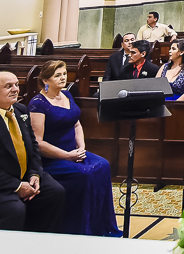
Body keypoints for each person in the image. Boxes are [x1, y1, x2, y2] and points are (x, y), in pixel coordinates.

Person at [0, 71, 66, 231]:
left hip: (23, 176)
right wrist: (17, 186)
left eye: (16, 84)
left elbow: (33, 147)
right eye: (8, 86)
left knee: (56, 192)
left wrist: (35, 174)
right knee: (15, 209)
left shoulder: (21, 111)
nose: (15, 89)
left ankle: (38, 241)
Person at [28, 61, 120, 236]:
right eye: (58, 75)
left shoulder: (67, 95)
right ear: (45, 80)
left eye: (64, 73)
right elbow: (37, 142)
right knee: (84, 174)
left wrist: (82, 148)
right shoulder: (38, 104)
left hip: (74, 152)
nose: (63, 78)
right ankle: (80, 229)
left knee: (103, 165)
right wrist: (67, 156)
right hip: (52, 158)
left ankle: (101, 227)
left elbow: (76, 124)